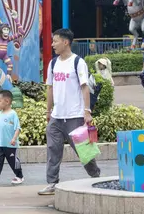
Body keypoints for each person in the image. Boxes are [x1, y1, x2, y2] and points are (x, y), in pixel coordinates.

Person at [39, 28, 101, 196]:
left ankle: (96, 176)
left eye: (55, 41)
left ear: (65, 42)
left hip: (75, 116)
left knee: (84, 152)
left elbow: (84, 87)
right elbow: (50, 88)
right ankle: (52, 183)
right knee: (53, 149)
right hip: (57, 117)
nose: (52, 45)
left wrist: (86, 111)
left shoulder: (78, 62)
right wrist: (48, 111)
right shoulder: (53, 63)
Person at [0, 90, 24, 185]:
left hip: (10, 145)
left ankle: (19, 176)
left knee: (13, 162)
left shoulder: (13, 114)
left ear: (7, 101)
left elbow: (17, 128)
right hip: (0, 144)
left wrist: (14, 138)